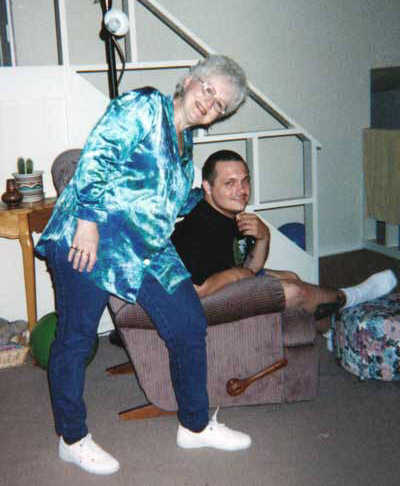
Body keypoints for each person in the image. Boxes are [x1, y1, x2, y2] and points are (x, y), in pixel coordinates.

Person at [35, 56, 252, 476]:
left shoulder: (186, 145)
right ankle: (72, 438)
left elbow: (165, 202)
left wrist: (210, 198)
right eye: (209, 90)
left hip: (145, 248)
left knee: (188, 324)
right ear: (189, 81)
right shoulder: (146, 106)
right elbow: (98, 154)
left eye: (220, 104)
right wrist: (87, 221)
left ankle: (194, 426)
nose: (210, 103)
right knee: (76, 338)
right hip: (93, 233)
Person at [171, 150, 397, 329]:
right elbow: (194, 289)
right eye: (229, 183)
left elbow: (250, 267)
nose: (241, 190)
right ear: (208, 187)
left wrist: (263, 237)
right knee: (292, 291)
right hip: (202, 304)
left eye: (245, 181)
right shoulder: (197, 229)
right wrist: (234, 275)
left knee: (291, 277)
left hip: (224, 284)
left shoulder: (230, 215)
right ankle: (352, 296)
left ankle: (328, 332)